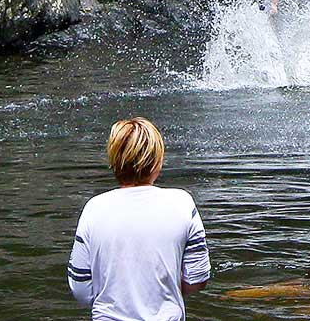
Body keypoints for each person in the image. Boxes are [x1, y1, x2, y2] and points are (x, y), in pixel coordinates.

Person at [67, 116, 211, 321]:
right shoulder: (182, 203)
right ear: (157, 162)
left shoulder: (94, 208)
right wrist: (160, 291)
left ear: (114, 160)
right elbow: (198, 278)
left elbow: (80, 289)